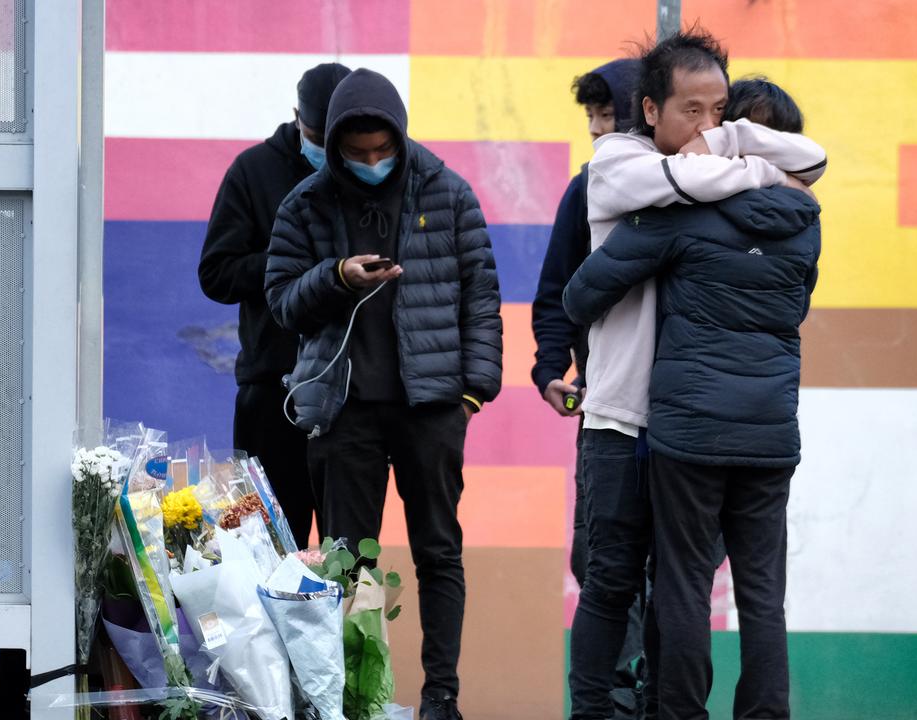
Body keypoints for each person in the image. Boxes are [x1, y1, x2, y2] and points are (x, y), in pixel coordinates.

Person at [566, 30, 826, 720]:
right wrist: (752, 160)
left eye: (721, 114)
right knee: (619, 582)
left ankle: (671, 713)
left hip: (688, 425)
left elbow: (585, 291)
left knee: (677, 585)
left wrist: (729, 153)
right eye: (694, 112)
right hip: (641, 415)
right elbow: (794, 296)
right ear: (650, 109)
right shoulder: (625, 165)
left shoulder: (687, 217)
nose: (708, 127)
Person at [265, 68, 502, 720]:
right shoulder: (304, 206)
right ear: (335, 144)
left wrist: (472, 394)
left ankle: (440, 697)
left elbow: (480, 294)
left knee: (437, 553)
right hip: (344, 413)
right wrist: (336, 275)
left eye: (382, 150)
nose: (372, 163)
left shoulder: (449, 194)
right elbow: (282, 302)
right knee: (348, 564)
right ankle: (352, 694)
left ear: (399, 137)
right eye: (357, 153)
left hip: (430, 410)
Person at [529, 58, 644, 720]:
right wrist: (551, 369)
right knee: (600, 564)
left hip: (679, 419)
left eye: (611, 117)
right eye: (592, 119)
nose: (600, 131)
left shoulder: (683, 189)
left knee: (666, 578)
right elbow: (554, 294)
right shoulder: (583, 191)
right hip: (602, 409)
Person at [198, 62, 351, 548]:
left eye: (338, 139)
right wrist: (290, 263)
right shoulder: (253, 171)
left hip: (352, 393)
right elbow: (216, 274)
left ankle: (348, 628)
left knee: (348, 556)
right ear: (295, 118)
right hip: (271, 388)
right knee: (261, 549)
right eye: (316, 136)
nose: (328, 151)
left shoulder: (368, 170)